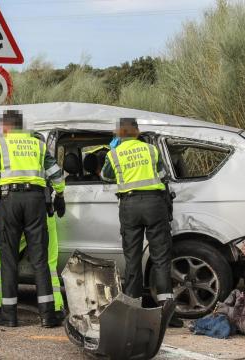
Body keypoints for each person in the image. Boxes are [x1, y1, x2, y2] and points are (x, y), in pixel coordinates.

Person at [0, 110, 65, 328]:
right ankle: (48, 316)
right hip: (36, 201)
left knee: (8, 259)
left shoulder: (0, 145)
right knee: (40, 260)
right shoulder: (39, 145)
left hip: (9, 201)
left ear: (6, 127)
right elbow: (56, 174)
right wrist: (60, 193)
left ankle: (9, 316)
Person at [100, 117, 182, 327]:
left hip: (130, 205)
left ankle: (132, 311)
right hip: (155, 205)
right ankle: (167, 314)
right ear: (136, 131)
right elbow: (163, 175)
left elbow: (106, 176)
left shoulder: (114, 154)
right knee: (161, 258)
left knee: (133, 259)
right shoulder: (151, 150)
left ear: (119, 134)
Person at [0, 189, 65, 318]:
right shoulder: (35, 175)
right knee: (47, 263)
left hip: (18, 217)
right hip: (45, 215)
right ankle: (55, 308)